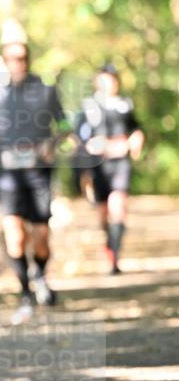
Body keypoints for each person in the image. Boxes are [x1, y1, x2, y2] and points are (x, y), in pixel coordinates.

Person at [0, 39, 71, 324]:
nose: (17, 64)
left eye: (21, 59)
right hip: (8, 172)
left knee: (40, 237)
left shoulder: (45, 90)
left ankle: (40, 272)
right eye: (11, 59)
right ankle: (25, 293)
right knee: (15, 235)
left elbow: (65, 125)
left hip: (39, 171)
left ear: (28, 61)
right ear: (4, 62)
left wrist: (51, 143)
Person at [79, 64, 144, 274]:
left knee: (118, 208)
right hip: (98, 165)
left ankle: (114, 259)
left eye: (113, 79)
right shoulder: (89, 105)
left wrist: (136, 139)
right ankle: (109, 245)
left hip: (121, 162)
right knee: (103, 214)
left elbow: (136, 127)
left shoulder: (125, 103)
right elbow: (78, 134)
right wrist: (88, 147)